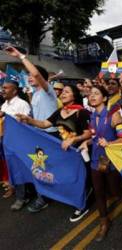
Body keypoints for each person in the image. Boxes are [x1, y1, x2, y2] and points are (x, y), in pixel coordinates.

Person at [17, 85, 92, 221]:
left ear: (74, 96)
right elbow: (45, 124)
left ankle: (82, 205)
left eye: (67, 92)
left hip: (79, 153)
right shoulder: (59, 111)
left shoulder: (82, 112)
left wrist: (73, 139)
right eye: (62, 92)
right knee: (70, 177)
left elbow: (89, 133)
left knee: (81, 179)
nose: (63, 94)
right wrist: (29, 120)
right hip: (65, 153)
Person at [5, 46, 58, 213]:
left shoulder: (48, 91)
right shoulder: (34, 94)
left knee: (50, 167)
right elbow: (36, 115)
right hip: (39, 134)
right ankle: (43, 194)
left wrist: (21, 56)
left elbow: (35, 74)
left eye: (30, 75)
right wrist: (27, 120)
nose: (29, 77)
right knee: (40, 167)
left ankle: (46, 197)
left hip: (51, 135)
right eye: (28, 76)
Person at [79, 85, 122, 242]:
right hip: (96, 160)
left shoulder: (114, 115)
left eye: (96, 94)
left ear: (104, 98)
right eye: (90, 94)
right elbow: (95, 136)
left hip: (110, 159)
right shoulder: (92, 117)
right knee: (99, 191)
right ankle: (104, 222)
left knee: (114, 190)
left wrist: (109, 143)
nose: (92, 96)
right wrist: (87, 142)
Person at [0, 76, 31, 209]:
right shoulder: (4, 105)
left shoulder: (22, 104)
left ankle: (22, 197)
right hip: (6, 142)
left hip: (18, 143)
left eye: (6, 88)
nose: (2, 90)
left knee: (19, 170)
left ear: (15, 91)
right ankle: (24, 193)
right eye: (2, 88)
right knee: (14, 169)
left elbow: (26, 125)